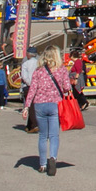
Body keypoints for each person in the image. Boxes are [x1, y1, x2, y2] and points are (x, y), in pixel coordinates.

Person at [23, 47, 70, 176]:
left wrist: (27, 107)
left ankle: (42, 164)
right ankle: (53, 158)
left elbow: (32, 89)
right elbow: (67, 87)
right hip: (55, 104)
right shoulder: (62, 70)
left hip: (39, 105)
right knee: (54, 136)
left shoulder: (39, 71)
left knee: (43, 136)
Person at [20, 47, 40, 132]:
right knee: (35, 105)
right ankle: (29, 125)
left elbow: (24, 76)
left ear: (28, 54)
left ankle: (34, 125)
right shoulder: (39, 64)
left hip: (28, 86)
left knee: (30, 106)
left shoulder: (26, 64)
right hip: (38, 86)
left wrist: (30, 83)